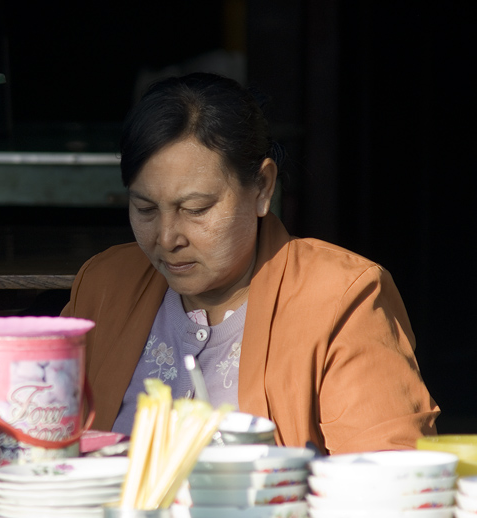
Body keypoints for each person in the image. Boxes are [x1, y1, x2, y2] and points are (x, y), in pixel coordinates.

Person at [61, 72, 439, 454]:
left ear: (262, 187)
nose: (167, 238)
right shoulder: (104, 286)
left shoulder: (340, 298)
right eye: (145, 209)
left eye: (196, 209)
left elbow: (387, 474)